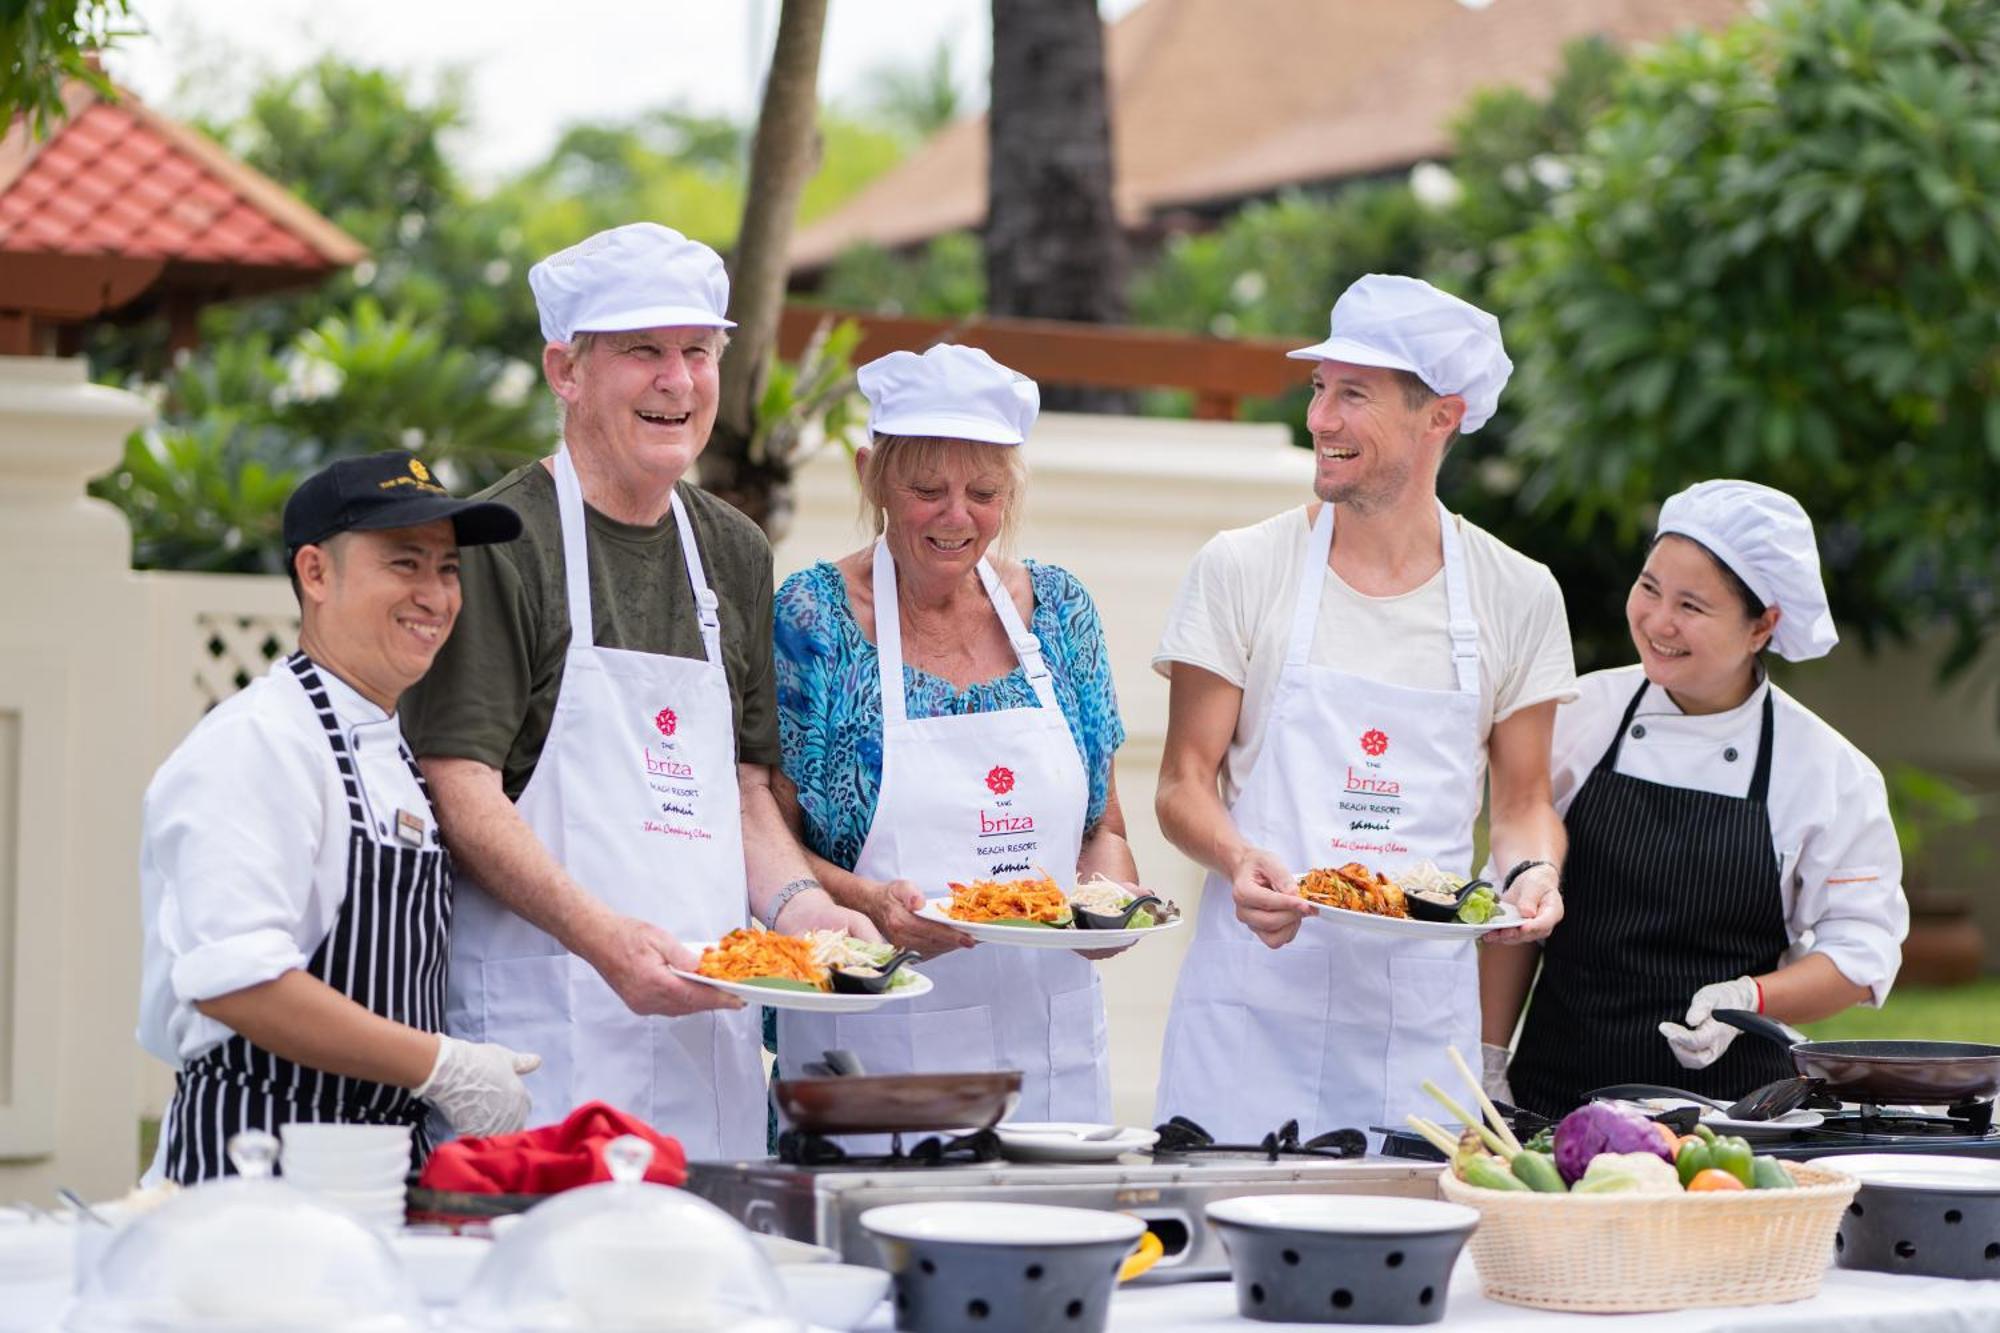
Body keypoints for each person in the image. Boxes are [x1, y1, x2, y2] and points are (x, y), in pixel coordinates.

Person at [399, 223, 875, 1159]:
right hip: (551, 1037)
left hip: (707, 1043)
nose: (678, 380)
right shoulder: (502, 539)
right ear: (565, 372)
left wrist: (801, 913)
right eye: (642, 352)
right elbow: (460, 787)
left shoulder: (733, 549)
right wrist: (604, 938)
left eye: (698, 352)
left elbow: (742, 792)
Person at [1152, 275, 1573, 1143]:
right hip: (1251, 1018)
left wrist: (1531, 876)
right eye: (1318, 389)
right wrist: (1236, 858)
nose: (1320, 421)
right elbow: (1182, 783)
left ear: (1441, 416)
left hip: (1415, 1032)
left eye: (1354, 394)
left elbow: (1525, 803)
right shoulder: (1244, 567)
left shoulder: (1518, 592)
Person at [138, 451, 534, 1184]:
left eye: (448, 570)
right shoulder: (259, 742)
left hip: (377, 1180)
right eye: (405, 563)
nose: (436, 595)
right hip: (257, 1174)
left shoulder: (393, 749)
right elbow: (238, 980)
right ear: (315, 574)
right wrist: (441, 1064)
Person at [771, 344, 1136, 1132]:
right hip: (871, 1046)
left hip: (1049, 1060)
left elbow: (1104, 827)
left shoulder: (1060, 609)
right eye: (926, 488)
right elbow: (763, 836)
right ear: (872, 476)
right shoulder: (816, 618)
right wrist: (871, 902)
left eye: (984, 491)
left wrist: (1110, 912)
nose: (956, 515)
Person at [1490, 480, 1909, 1116]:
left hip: (1731, 1127)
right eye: (1650, 587)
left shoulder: (1827, 772)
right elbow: (1510, 915)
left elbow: (1860, 954)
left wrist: (1752, 998)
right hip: (1553, 1107)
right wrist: (1489, 1062)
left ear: (1763, 625)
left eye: (1692, 606)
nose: (1659, 622)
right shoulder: (1578, 717)